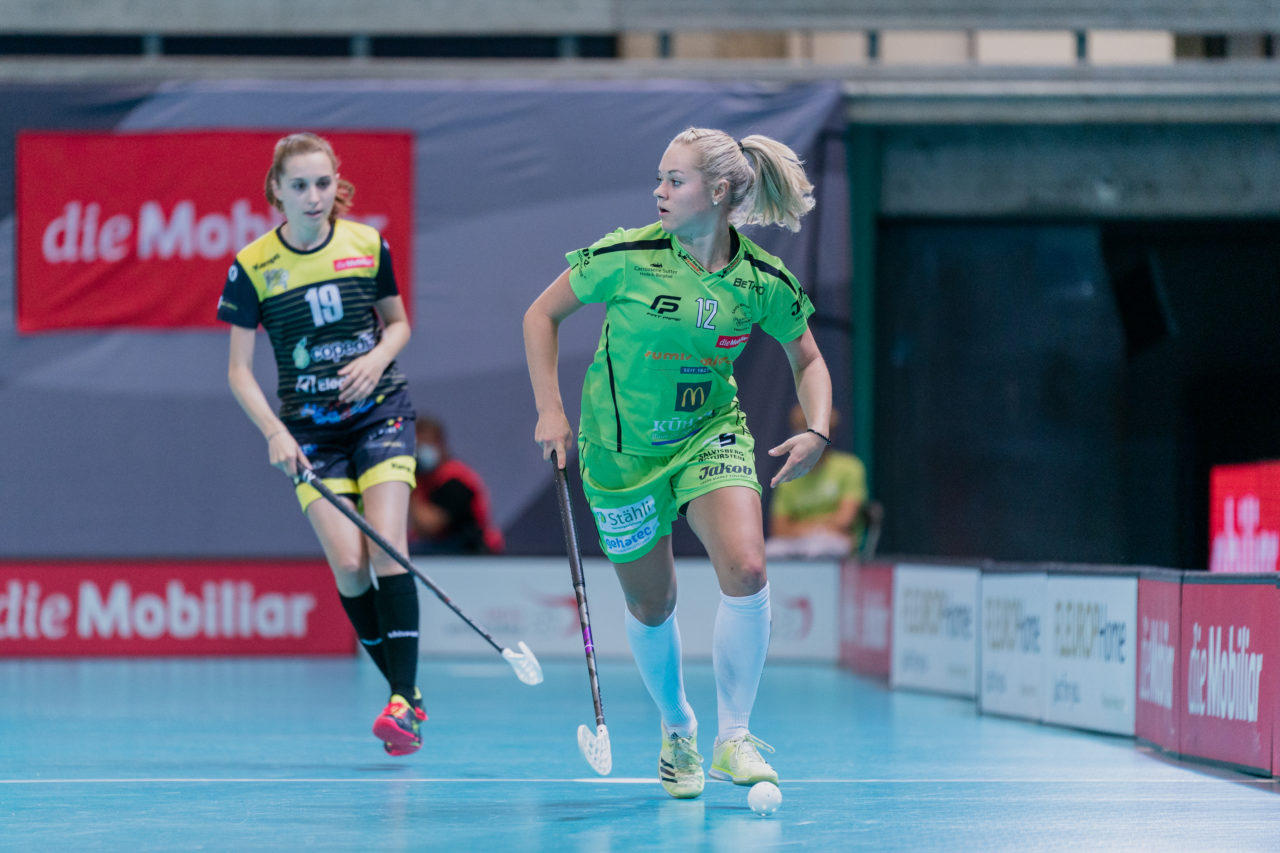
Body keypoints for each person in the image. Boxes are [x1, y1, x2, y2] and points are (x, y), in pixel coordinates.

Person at [523, 127, 833, 799]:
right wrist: (551, 409)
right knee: (651, 600)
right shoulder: (627, 255)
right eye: (659, 179)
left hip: (708, 436)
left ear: (718, 192)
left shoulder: (762, 280)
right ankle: (678, 728)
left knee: (747, 567)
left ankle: (735, 736)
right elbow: (541, 315)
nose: (659, 192)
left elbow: (807, 357)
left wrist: (816, 426)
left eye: (675, 180)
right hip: (619, 455)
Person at [217, 132, 425, 757]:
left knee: (386, 545)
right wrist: (275, 432)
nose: (314, 196)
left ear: (338, 185)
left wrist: (377, 358)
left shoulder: (367, 244)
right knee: (350, 563)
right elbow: (237, 372)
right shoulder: (253, 265)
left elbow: (399, 324)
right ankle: (407, 696)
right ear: (276, 192)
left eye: (324, 183)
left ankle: (402, 702)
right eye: (300, 185)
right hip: (309, 433)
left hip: (380, 413)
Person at [766, 404, 870, 558]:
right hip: (796, 542)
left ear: (828, 435)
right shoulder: (786, 473)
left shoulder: (850, 467)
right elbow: (779, 529)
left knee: (817, 550)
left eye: (812, 435)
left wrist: (802, 528)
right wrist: (817, 527)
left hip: (834, 542)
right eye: (800, 431)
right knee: (771, 550)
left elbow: (844, 520)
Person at [409, 415, 505, 555]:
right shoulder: (423, 478)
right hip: (441, 549)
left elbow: (428, 526)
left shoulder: (457, 481)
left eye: (427, 443)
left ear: (440, 443)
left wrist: (408, 486)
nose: (421, 450)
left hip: (470, 551)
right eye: (418, 446)